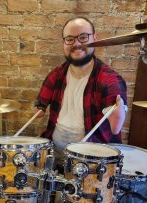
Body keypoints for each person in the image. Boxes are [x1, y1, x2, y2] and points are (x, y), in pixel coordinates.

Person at [35, 17, 128, 169]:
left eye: (83, 37)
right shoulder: (56, 75)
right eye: (70, 39)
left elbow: (115, 128)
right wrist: (39, 108)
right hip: (55, 154)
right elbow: (39, 107)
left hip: (91, 161)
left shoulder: (109, 79)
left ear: (95, 38)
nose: (77, 44)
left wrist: (117, 117)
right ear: (64, 43)